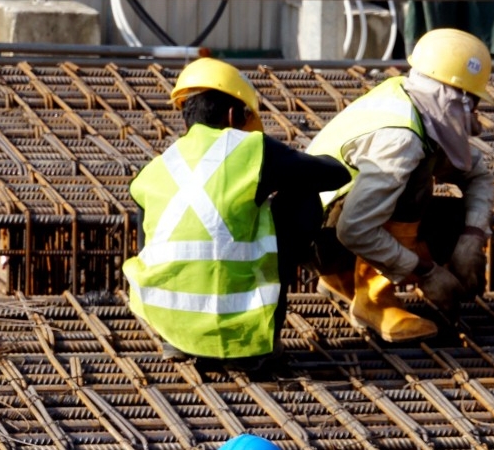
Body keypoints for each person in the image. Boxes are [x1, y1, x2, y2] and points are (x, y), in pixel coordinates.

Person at [123, 58, 349, 369]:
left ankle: (176, 341)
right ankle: (263, 343)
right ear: (233, 115)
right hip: (241, 330)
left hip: (164, 317)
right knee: (303, 193)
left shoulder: (154, 170)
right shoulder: (251, 148)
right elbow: (335, 175)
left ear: (186, 119)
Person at [306, 28, 494, 343]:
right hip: (319, 237)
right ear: (453, 97)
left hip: (322, 225)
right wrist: (427, 272)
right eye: (473, 101)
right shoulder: (401, 138)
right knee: (415, 180)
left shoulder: (411, 101)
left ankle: (342, 280)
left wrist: (471, 239)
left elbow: (479, 175)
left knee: (456, 218)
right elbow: (354, 229)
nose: (475, 113)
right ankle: (373, 300)